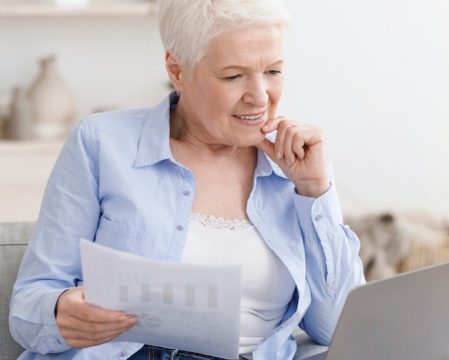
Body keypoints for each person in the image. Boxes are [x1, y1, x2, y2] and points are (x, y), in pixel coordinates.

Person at [8, 0, 366, 359]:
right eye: (233, 76)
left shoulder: (296, 163)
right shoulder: (101, 144)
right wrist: (61, 313)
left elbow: (336, 325)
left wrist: (315, 190)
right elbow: (29, 304)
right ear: (177, 70)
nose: (260, 96)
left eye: (273, 71)